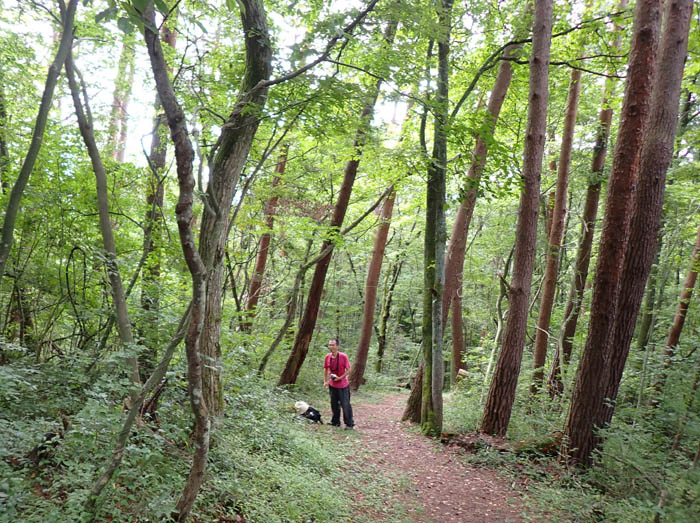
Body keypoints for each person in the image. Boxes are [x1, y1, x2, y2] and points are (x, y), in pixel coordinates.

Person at [323, 338, 355, 429]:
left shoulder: (343, 356)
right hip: (332, 384)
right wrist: (325, 381)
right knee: (334, 404)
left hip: (343, 385)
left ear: (337, 346)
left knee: (345, 404)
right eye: (330, 345)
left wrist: (340, 378)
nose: (331, 347)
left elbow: (349, 370)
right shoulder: (327, 357)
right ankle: (335, 422)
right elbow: (325, 369)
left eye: (333, 345)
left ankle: (349, 424)